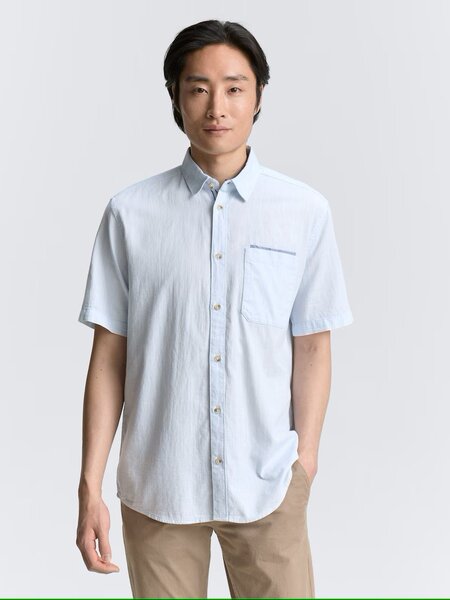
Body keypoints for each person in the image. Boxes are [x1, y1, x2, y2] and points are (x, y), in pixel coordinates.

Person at [76, 19, 354, 599]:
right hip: (159, 484)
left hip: (268, 483)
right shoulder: (130, 214)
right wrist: (89, 484)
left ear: (258, 96)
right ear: (176, 98)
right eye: (198, 88)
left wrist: (304, 460)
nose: (216, 107)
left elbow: (312, 344)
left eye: (234, 88)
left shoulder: (303, 212)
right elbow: (109, 356)